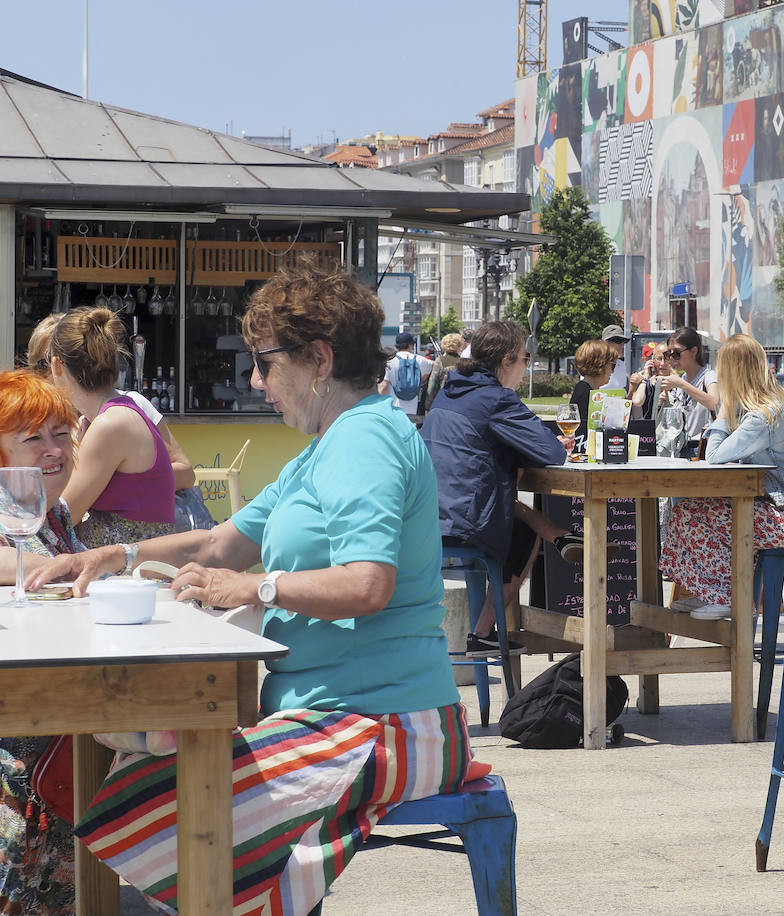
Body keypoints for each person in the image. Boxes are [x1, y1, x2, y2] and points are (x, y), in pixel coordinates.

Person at [29, 261, 472, 914]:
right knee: (146, 777)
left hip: (387, 725)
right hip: (334, 716)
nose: (256, 381)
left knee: (168, 799)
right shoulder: (326, 447)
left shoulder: (366, 439)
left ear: (318, 359)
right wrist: (111, 556)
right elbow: (216, 543)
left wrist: (254, 587)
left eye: (265, 363)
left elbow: (367, 583)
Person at [422, 320, 577, 653]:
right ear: (506, 360)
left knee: (513, 509)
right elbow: (551, 452)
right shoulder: (496, 399)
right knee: (521, 530)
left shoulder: (450, 390)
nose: (527, 365)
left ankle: (561, 535)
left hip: (429, 516)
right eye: (525, 357)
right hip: (467, 524)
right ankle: (482, 632)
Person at [659, 335, 784, 619]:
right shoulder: (779, 404)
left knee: (690, 513)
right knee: (692, 509)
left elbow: (714, 456)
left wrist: (723, 410)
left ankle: (727, 597)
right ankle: (714, 592)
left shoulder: (763, 416)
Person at [0, 370, 84, 916]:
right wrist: (62, 568)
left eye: (62, 433)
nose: (54, 449)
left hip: (52, 726)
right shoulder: (17, 514)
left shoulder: (56, 514)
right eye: (33, 438)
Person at [45, 307, 177, 547]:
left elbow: (63, 517)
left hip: (127, 577)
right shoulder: (112, 416)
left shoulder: (111, 424)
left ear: (57, 365)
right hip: (119, 572)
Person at [27, 312, 197, 493]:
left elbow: (186, 474)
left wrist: (104, 481)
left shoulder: (129, 405)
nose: (49, 373)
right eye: (41, 364)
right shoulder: (31, 423)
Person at [657, 326, 720, 452]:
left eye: (677, 353)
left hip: (701, 448)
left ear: (693, 352)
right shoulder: (682, 378)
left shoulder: (708, 376)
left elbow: (715, 403)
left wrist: (681, 384)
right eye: (670, 354)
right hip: (681, 446)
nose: (673, 358)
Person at [570, 338, 621, 446]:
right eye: (613, 365)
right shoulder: (585, 393)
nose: (613, 371)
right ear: (600, 364)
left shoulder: (586, 389)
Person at [380, 331, 433, 415]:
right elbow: (432, 367)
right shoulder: (420, 360)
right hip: (412, 409)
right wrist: (419, 381)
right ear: (410, 345)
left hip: (393, 408)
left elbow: (384, 386)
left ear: (397, 345)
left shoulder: (390, 362)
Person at [422, 331, 465, 413]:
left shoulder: (440, 361)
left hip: (443, 401)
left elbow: (433, 383)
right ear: (459, 345)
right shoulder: (463, 362)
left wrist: (428, 405)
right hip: (459, 402)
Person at [629, 342, 672, 420]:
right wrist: (645, 378)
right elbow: (637, 402)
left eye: (667, 359)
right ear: (652, 361)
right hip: (647, 429)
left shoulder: (678, 383)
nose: (662, 363)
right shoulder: (645, 382)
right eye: (659, 359)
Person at [600, 324, 630, 391]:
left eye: (624, 341)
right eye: (618, 340)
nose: (622, 344)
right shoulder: (593, 363)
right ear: (605, 342)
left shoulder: (621, 365)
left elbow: (623, 390)